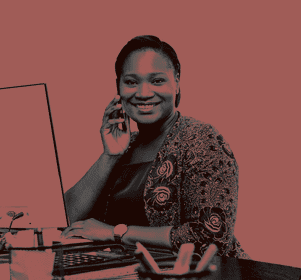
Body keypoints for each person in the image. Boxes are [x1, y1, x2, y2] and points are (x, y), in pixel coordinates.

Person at [62, 35, 249, 259]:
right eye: (131, 82)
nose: (143, 93)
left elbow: (209, 238)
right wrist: (109, 156)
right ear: (118, 88)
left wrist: (116, 233)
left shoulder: (201, 140)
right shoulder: (125, 146)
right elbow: (65, 219)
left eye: (157, 80)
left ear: (177, 82)